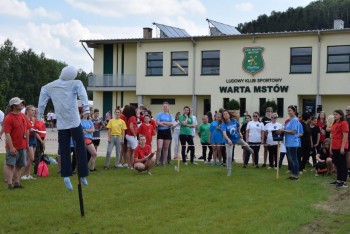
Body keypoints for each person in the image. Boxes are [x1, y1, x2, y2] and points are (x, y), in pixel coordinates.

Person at [38, 65, 89, 191]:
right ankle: (82, 174)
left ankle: (66, 175)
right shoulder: (76, 83)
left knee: (64, 150)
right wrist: (86, 107)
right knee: (80, 147)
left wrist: (39, 115)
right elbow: (83, 94)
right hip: (74, 122)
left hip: (62, 124)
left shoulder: (49, 86)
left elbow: (42, 99)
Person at [3, 97, 31, 189]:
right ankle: (10, 184)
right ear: (14, 106)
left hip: (22, 146)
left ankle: (17, 183)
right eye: (20, 103)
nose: (22, 104)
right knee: (10, 165)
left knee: (19, 165)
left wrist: (26, 144)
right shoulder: (8, 118)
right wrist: (11, 147)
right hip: (13, 147)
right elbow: (7, 134)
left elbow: (27, 129)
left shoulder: (23, 116)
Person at [278, 105, 300, 180]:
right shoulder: (290, 120)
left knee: (294, 159)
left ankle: (296, 175)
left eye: (290, 110)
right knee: (291, 159)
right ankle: (293, 174)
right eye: (288, 110)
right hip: (288, 142)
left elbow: (293, 131)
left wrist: (283, 131)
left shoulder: (294, 120)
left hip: (293, 143)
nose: (289, 112)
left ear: (294, 111)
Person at [330, 109, 349, 188]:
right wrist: (331, 147)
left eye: (336, 114)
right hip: (334, 146)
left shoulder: (343, 123)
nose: (335, 115)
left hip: (340, 146)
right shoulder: (334, 123)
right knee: (337, 164)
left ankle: (343, 182)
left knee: (342, 164)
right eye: (334, 114)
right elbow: (332, 136)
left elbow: (345, 136)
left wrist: (342, 148)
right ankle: (338, 180)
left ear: (341, 115)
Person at [22, 105, 38, 180]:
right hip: (28, 139)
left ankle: (28, 174)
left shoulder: (33, 119)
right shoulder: (24, 118)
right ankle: (25, 174)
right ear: (27, 111)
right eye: (32, 110)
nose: (34, 111)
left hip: (33, 138)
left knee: (32, 158)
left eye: (34, 110)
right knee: (31, 158)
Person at [33, 109, 46, 177]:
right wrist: (41, 141)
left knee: (40, 154)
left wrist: (43, 141)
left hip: (42, 139)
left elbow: (44, 131)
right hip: (37, 139)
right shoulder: (34, 121)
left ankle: (40, 170)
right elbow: (35, 132)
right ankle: (35, 172)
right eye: (37, 113)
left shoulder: (42, 121)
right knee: (37, 155)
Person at [345, 106, 350, 177]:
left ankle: (348, 170)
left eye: (348, 110)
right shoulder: (345, 118)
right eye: (346, 110)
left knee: (348, 155)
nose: (347, 111)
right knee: (347, 155)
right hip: (345, 138)